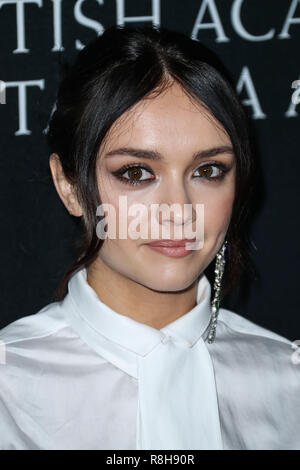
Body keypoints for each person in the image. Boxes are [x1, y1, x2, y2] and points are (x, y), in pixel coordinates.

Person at [0, 24, 299, 450]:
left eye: (208, 170)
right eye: (136, 173)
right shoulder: (8, 387)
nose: (178, 211)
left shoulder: (287, 381)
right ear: (68, 187)